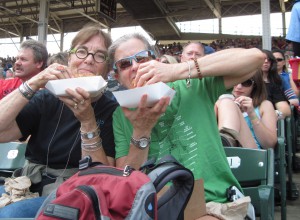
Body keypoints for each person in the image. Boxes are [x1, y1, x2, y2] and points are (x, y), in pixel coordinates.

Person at [108, 33, 265, 219]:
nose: (135, 67)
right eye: (125, 64)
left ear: (155, 61)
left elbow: (256, 58)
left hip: (215, 203)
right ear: (117, 77)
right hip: (158, 209)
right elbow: (127, 179)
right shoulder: (121, 115)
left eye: (141, 58)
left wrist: (177, 70)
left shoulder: (192, 85)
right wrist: (141, 131)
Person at [0, 23, 118, 218]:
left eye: (99, 55)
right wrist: (33, 83)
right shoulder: (47, 97)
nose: (88, 60)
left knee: (11, 215)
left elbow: (101, 175)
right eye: (81, 51)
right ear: (69, 58)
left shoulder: (111, 109)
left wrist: (87, 120)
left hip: (73, 189)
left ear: (107, 68)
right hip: (27, 180)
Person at [215, 70, 277, 149]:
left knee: (227, 103)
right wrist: (216, 108)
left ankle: (228, 142)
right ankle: (226, 142)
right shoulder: (219, 101)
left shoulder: (264, 105)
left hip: (250, 154)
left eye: (246, 82)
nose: (239, 86)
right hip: (221, 152)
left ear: (255, 85)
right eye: (235, 81)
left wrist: (252, 114)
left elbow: (269, 144)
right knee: (227, 103)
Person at [261, 49, 291, 118]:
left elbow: (286, 110)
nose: (266, 61)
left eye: (269, 60)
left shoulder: (276, 82)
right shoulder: (246, 81)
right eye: (263, 59)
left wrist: (272, 114)